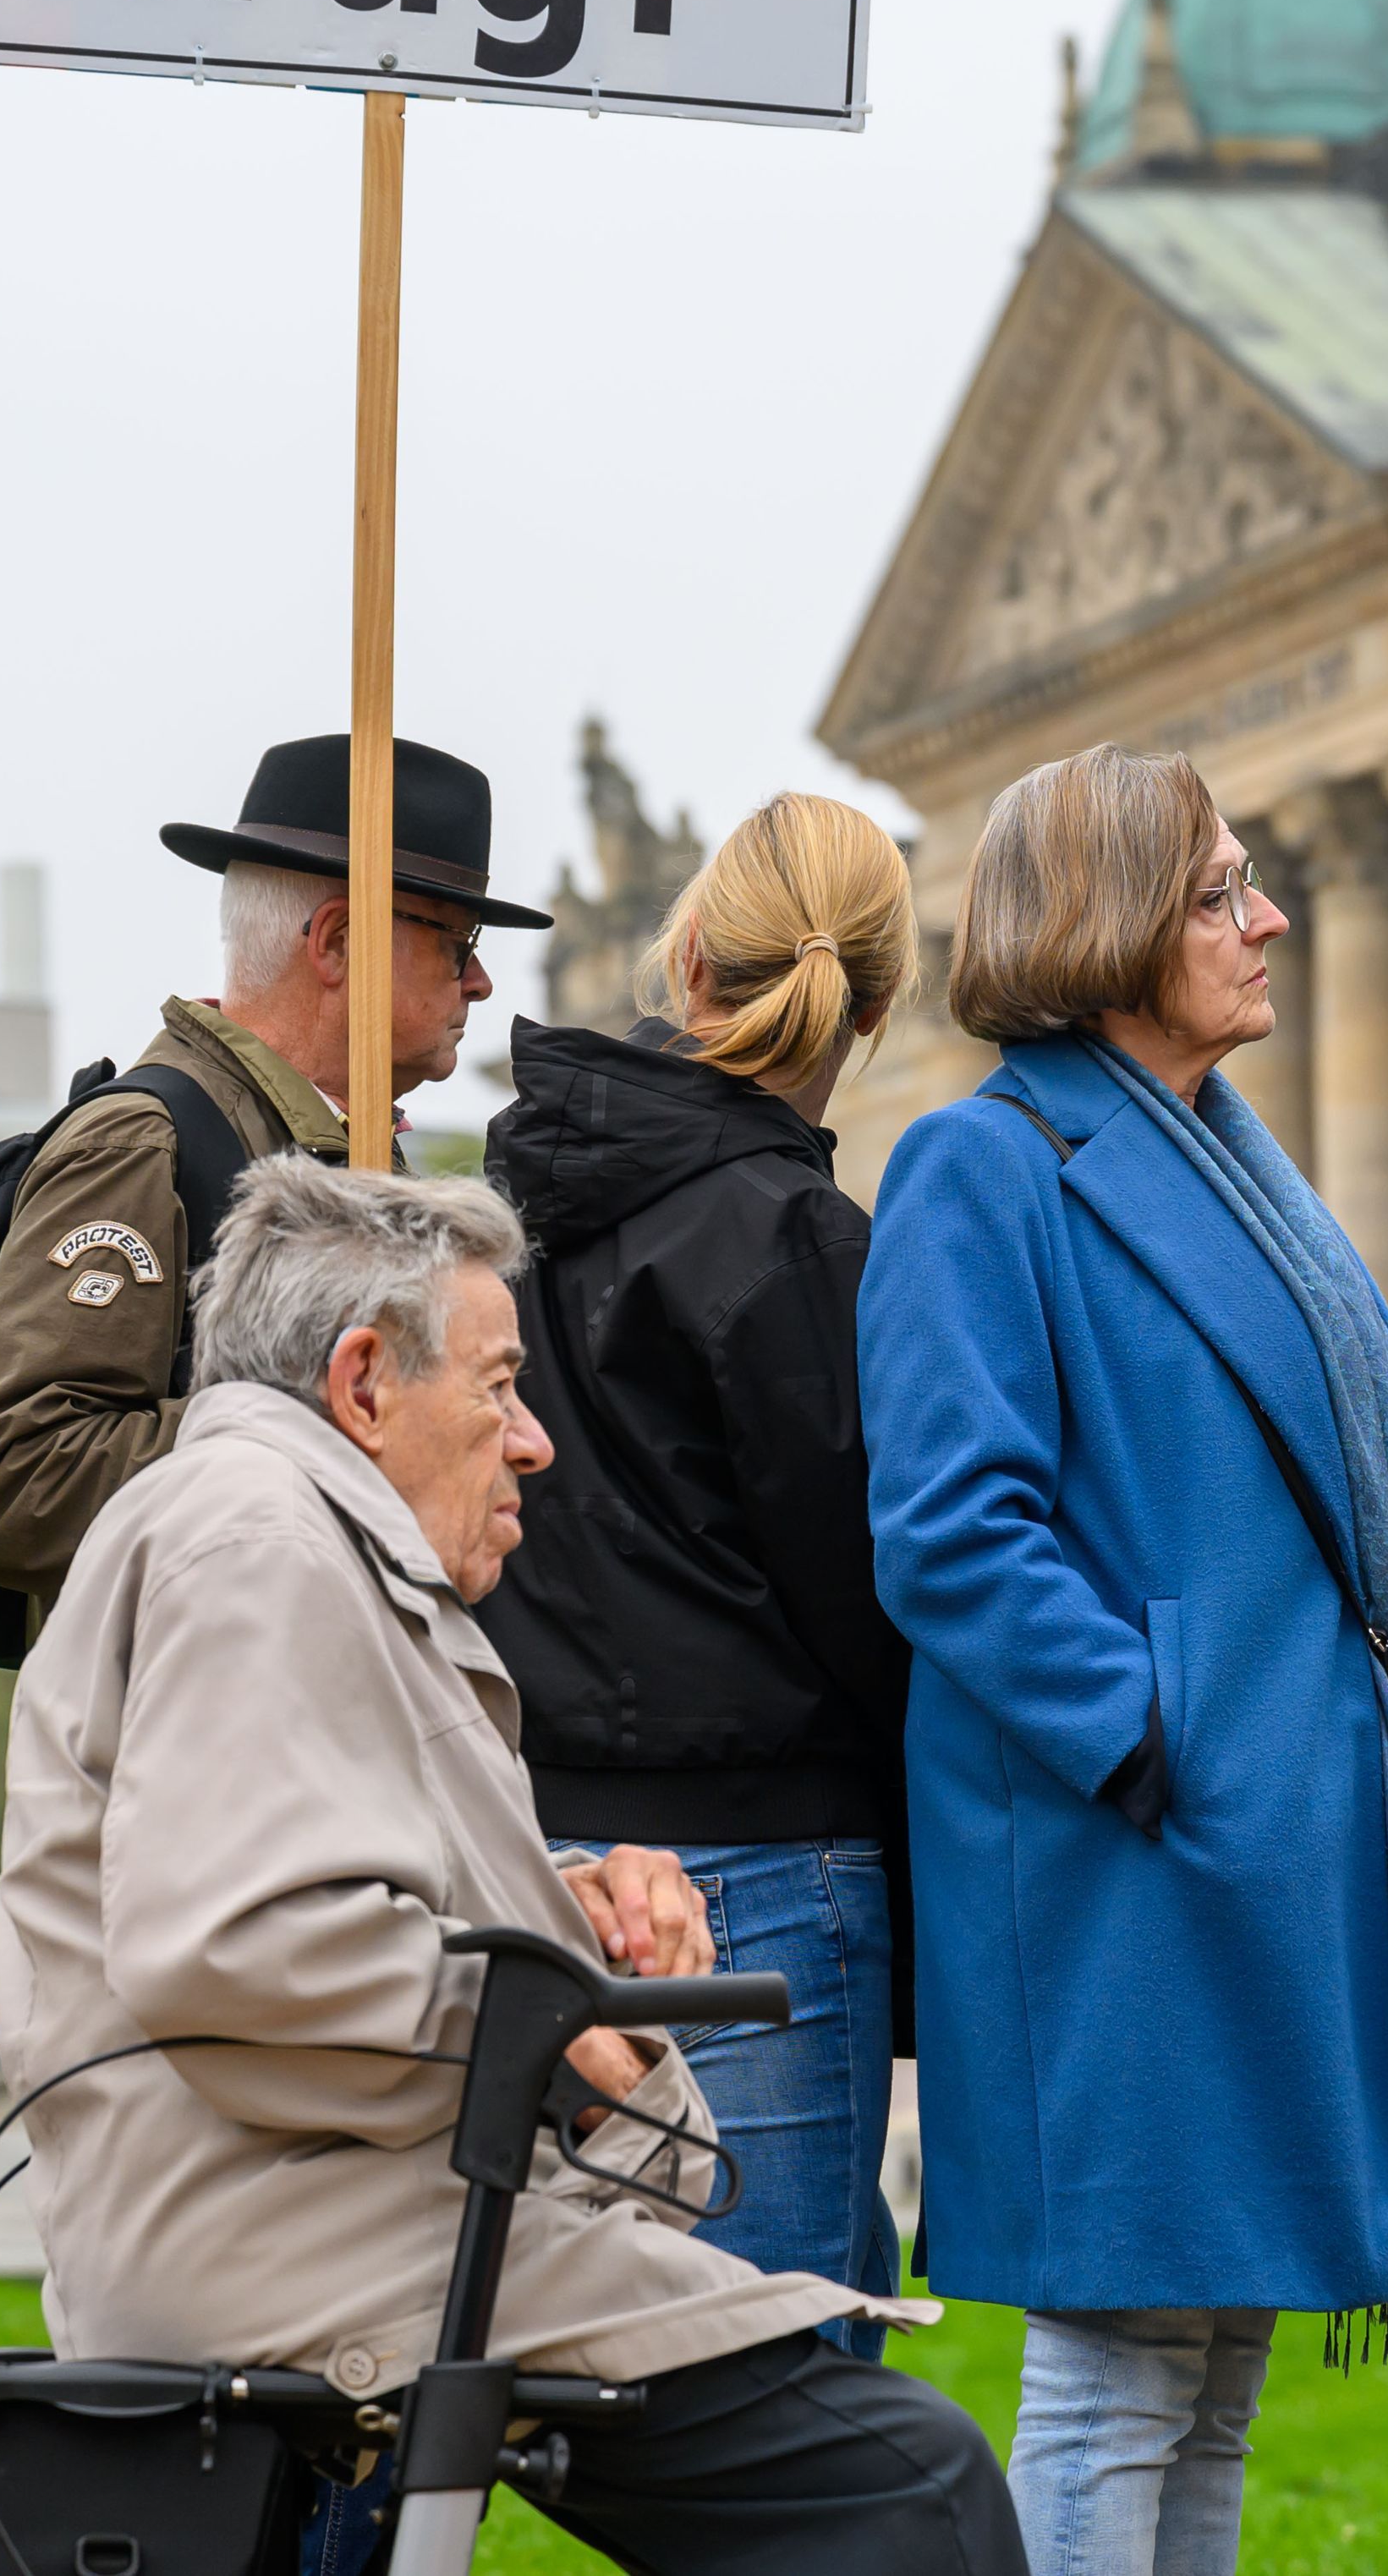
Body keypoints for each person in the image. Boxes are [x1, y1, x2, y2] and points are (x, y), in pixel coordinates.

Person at [0, 1156, 1018, 2572]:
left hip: (313, 2213)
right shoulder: (256, 1538)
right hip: (301, 2242)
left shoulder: (272, 1530)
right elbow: (235, 1946)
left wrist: (557, 1899)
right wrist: (552, 2027)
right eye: (496, 1387)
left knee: (878, 2465)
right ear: (362, 1383)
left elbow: (300, 1887)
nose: (531, 1440)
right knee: (905, 2478)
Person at [861, 744, 1388, 2575]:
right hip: (1133, 1857)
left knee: (1212, 2369)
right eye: (1224, 888)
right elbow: (950, 1526)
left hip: (1261, 1839)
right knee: (1118, 2374)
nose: (1268, 913)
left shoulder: (1230, 1159)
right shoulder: (982, 1164)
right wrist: (1160, 1730)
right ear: (1113, 921)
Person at [475, 792, 918, 2341]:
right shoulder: (798, 1236)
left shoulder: (505, 1211)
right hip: (767, 1857)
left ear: (684, 960)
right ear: (874, 1004)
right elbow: (868, 1589)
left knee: (594, 2373)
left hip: (546, 1849)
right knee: (790, 2369)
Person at [0, 734, 538, 1609]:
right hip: (199, 1720)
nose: (479, 981)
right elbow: (1, 1483)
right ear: (339, 942)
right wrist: (337, 1431)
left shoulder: (352, 1152)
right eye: (457, 941)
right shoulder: (145, 1145)